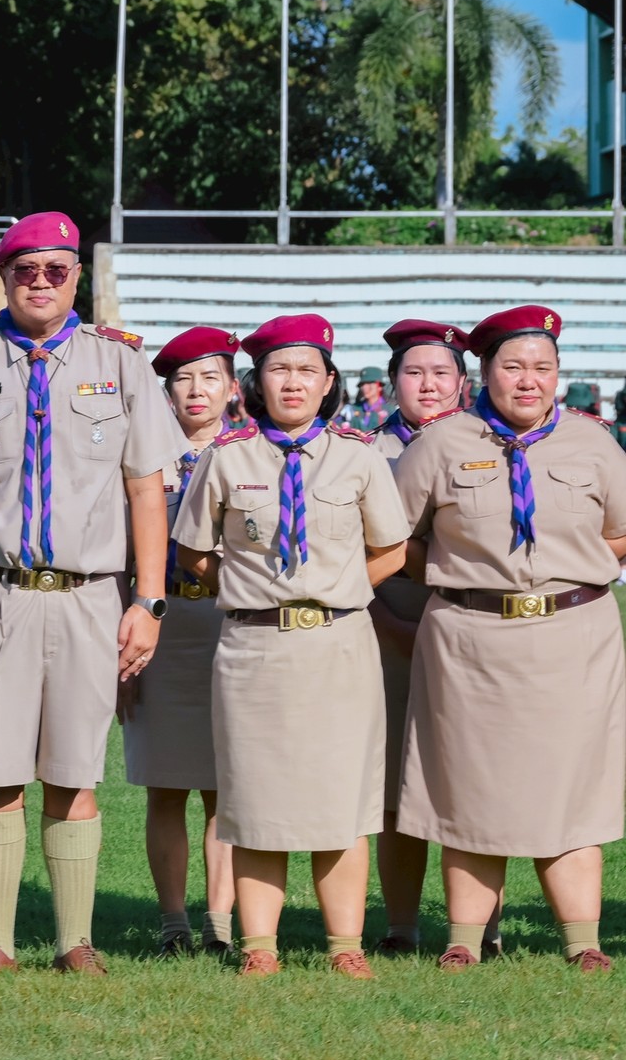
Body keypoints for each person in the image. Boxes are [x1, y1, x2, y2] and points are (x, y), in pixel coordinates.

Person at [0, 211, 180, 981]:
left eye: (57, 269)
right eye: (25, 269)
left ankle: (74, 941)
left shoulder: (119, 360)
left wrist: (149, 600)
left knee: (75, 769)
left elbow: (146, 489)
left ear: (77, 276)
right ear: (3, 276)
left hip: (91, 595)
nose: (41, 282)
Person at [173, 314, 409, 979]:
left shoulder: (359, 457)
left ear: (329, 382)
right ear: (258, 382)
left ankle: (345, 945)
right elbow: (192, 551)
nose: (293, 382)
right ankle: (260, 947)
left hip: (338, 647)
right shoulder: (228, 457)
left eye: (308, 370)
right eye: (280, 369)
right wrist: (247, 591)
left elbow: (391, 549)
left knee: (343, 800)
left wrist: (337, 590)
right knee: (256, 800)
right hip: (254, 651)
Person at [394, 305, 626, 974]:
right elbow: (396, 537)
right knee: (469, 785)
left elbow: (618, 532)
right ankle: (464, 939)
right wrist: (463, 577)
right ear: (485, 372)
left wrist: (566, 575)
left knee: (572, 786)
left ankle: (582, 941)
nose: (529, 380)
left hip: (574, 641)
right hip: (469, 643)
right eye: (514, 366)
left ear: (559, 374)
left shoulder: (594, 444)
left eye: (543, 368)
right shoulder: (440, 443)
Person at [123, 326, 237, 956]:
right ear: (166, 392)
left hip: (230, 625)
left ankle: (219, 922)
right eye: (183, 379)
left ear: (232, 388)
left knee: (226, 787)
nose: (197, 390)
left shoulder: (253, 454)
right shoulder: (140, 455)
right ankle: (173, 922)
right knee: (165, 785)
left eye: (210, 377)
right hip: (158, 627)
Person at [365, 319, 471, 957]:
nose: (428, 385)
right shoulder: (362, 451)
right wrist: (384, 620)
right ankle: (401, 925)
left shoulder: (490, 447)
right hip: (385, 625)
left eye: (441, 373)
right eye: (414, 373)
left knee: (470, 779)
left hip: (473, 630)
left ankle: (476, 928)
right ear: (391, 383)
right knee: (390, 787)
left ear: (463, 383)